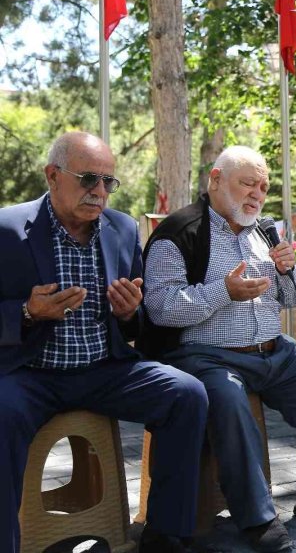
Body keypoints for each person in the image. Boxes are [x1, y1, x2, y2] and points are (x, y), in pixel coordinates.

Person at [0, 132, 208, 553]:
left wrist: (129, 312)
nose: (99, 192)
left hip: (104, 369)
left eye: (108, 182)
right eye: (89, 179)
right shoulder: (6, 229)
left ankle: (166, 533)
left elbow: (136, 326)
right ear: (53, 175)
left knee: (186, 394)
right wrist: (26, 311)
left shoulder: (122, 228)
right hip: (29, 373)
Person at [143, 146, 296, 553]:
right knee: (229, 400)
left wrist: (288, 269)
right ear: (216, 179)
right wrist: (223, 291)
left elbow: (295, 297)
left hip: (275, 352)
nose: (256, 194)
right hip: (207, 355)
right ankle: (256, 516)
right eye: (247, 183)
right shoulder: (179, 232)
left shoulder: (264, 231)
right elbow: (161, 306)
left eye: (263, 186)